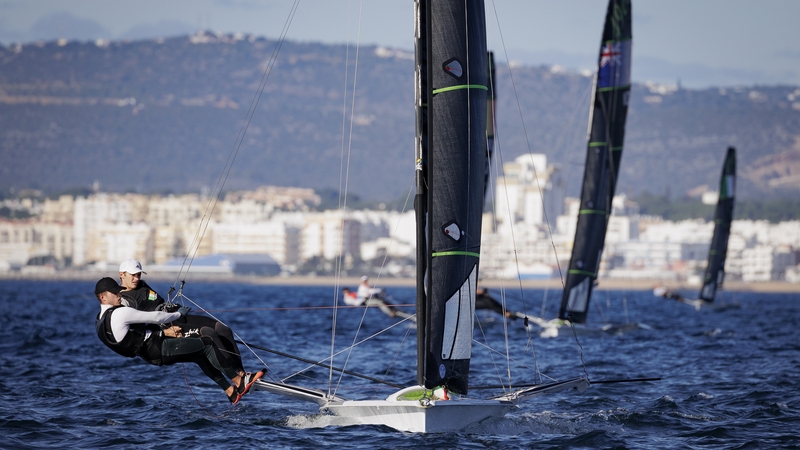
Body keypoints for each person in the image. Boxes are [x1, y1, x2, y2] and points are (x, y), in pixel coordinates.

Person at [94, 277, 264, 404]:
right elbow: (156, 316)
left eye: (118, 290)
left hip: (150, 353)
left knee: (198, 355)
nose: (119, 294)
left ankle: (230, 392)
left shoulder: (100, 321)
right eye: (114, 293)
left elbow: (131, 339)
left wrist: (161, 333)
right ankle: (238, 380)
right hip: (159, 348)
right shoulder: (119, 313)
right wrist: (178, 315)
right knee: (208, 342)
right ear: (102, 297)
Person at [118, 259, 245, 378]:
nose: (136, 278)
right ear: (122, 274)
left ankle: (242, 372)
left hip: (178, 314)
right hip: (166, 324)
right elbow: (136, 329)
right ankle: (235, 376)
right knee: (209, 333)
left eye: (139, 274)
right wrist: (163, 332)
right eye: (133, 275)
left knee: (223, 329)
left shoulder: (142, 284)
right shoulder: (123, 299)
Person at [343, 280, 414, 321]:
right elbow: (357, 302)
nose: (347, 291)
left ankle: (395, 309)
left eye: (347, 290)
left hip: (366, 299)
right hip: (364, 302)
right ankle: (391, 313)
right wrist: (363, 297)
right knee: (379, 302)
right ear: (344, 292)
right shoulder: (347, 298)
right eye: (346, 291)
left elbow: (364, 293)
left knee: (381, 300)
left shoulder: (353, 293)